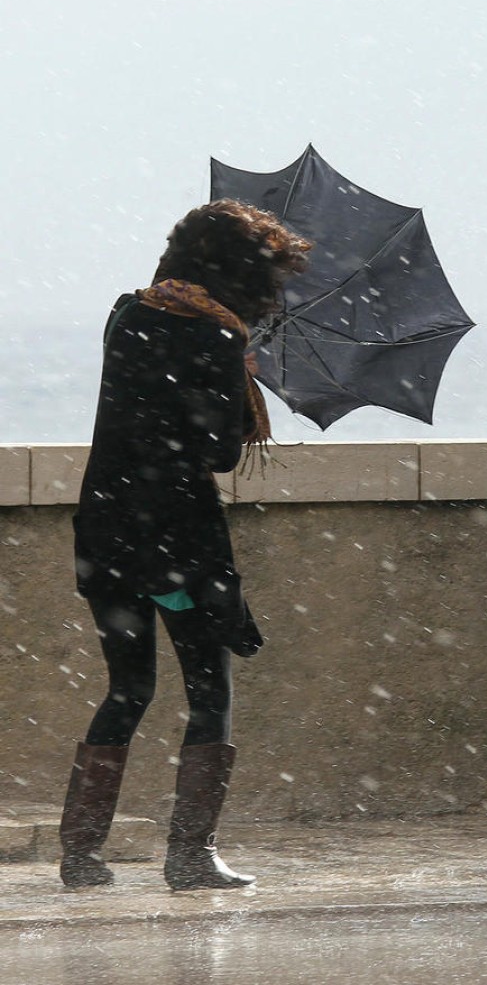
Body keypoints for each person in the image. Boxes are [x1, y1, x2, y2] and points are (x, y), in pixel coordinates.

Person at [60, 200, 311, 889]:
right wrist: (238, 379)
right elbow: (220, 453)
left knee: (128, 687)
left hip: (107, 531)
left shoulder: (126, 315)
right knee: (208, 690)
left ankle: (80, 854)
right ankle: (191, 854)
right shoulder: (218, 343)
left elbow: (138, 413)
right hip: (174, 543)